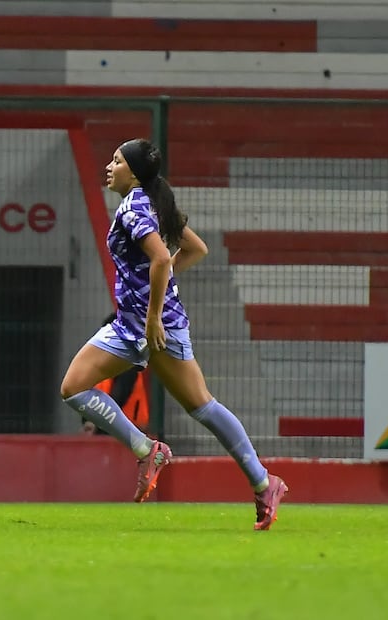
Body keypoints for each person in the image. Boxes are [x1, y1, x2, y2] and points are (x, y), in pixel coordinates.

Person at [60, 138, 288, 531]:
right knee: (201, 407)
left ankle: (152, 451)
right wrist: (155, 291)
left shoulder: (133, 208)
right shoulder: (153, 203)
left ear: (134, 173)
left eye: (117, 161)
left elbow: (163, 258)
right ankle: (261, 483)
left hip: (150, 327)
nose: (109, 167)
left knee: (77, 388)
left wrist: (153, 315)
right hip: (138, 324)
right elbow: (196, 249)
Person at [81, 312, 149, 436]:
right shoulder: (109, 361)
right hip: (113, 426)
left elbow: (118, 397)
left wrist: (92, 421)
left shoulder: (126, 364)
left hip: (124, 429)